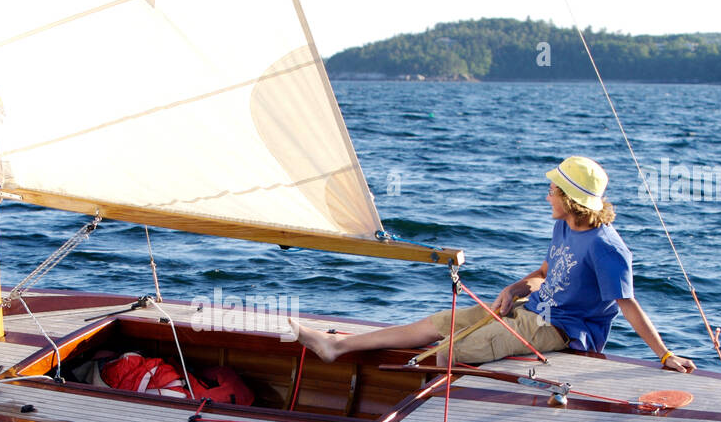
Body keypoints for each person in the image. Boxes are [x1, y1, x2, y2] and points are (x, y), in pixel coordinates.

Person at [289, 156, 697, 373]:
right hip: (529, 310)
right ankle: (336, 345)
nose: (547, 196)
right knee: (436, 325)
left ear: (571, 199)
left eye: (552, 190)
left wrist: (664, 355)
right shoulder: (564, 228)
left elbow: (627, 305)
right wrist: (515, 289)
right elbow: (546, 274)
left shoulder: (608, 248)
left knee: (447, 353)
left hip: (560, 330)